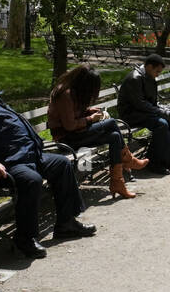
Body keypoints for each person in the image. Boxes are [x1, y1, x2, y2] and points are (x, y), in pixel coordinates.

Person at [0, 55, 95, 260]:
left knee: (61, 164)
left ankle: (66, 223)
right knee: (31, 180)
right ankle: (25, 239)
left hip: (25, 156)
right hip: (0, 166)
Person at [48, 64, 148, 199]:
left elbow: (75, 113)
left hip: (77, 134)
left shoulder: (74, 92)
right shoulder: (65, 94)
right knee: (112, 123)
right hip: (67, 138)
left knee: (113, 136)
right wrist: (91, 118)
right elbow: (69, 126)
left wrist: (89, 111)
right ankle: (129, 159)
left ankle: (117, 183)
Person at [117, 53, 170, 172]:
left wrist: (167, 111)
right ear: (148, 67)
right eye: (157, 71)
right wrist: (164, 113)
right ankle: (153, 163)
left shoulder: (149, 77)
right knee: (161, 124)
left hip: (143, 112)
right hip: (131, 114)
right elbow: (140, 104)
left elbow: (153, 102)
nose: (157, 74)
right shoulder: (135, 78)